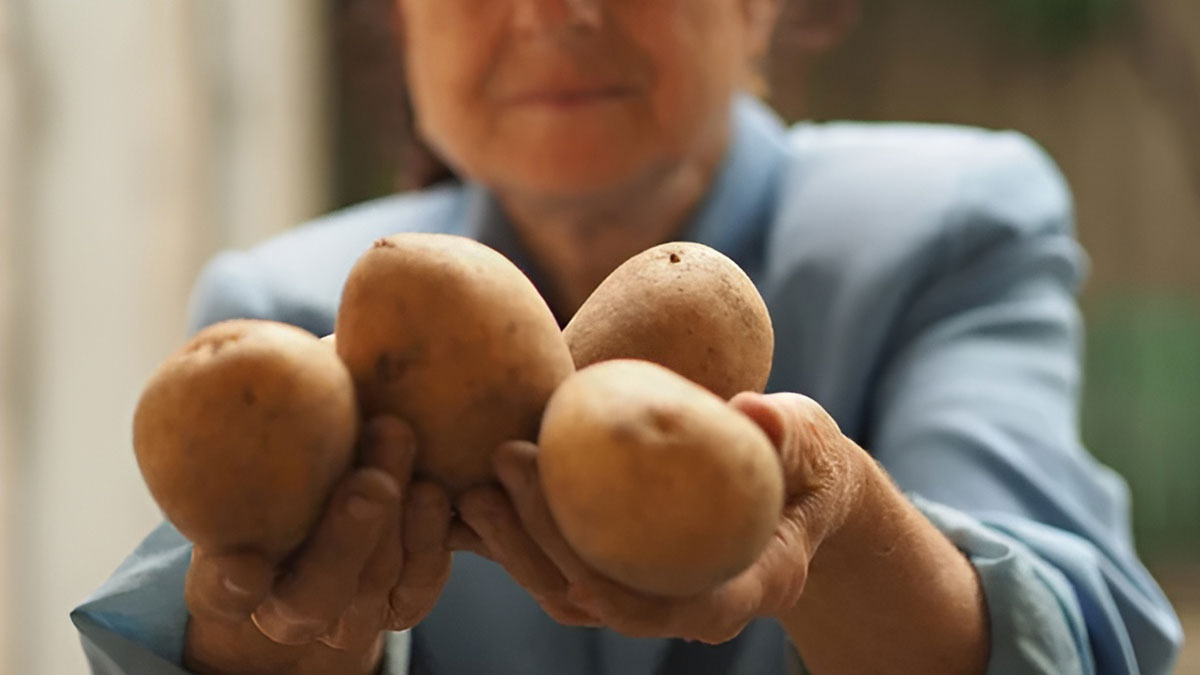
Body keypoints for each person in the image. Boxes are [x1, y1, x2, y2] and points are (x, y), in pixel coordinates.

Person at [74, 0, 1183, 673]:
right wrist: (277, 642)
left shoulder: (948, 220)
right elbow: (213, 622)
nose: (558, 13)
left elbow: (1075, 644)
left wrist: (832, 515)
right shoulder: (294, 314)